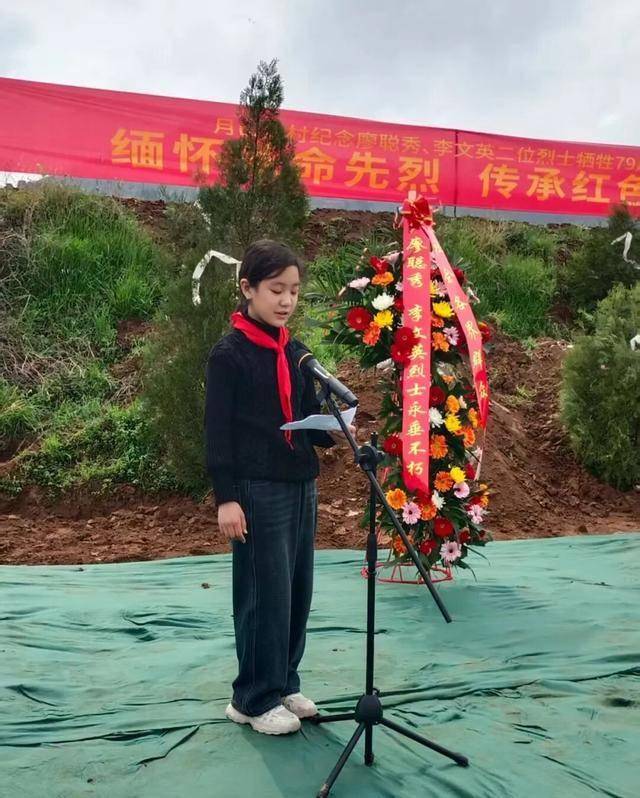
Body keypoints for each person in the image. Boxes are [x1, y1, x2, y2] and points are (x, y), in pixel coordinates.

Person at [204, 239, 356, 736]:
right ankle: (251, 698)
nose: (287, 300)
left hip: (299, 481)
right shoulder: (229, 355)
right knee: (262, 593)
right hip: (256, 487)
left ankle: (283, 681)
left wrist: (332, 429)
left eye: (293, 290)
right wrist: (227, 497)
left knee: (295, 590)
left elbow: (303, 416)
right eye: (276, 290)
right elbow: (217, 431)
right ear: (247, 288)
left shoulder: (295, 352)